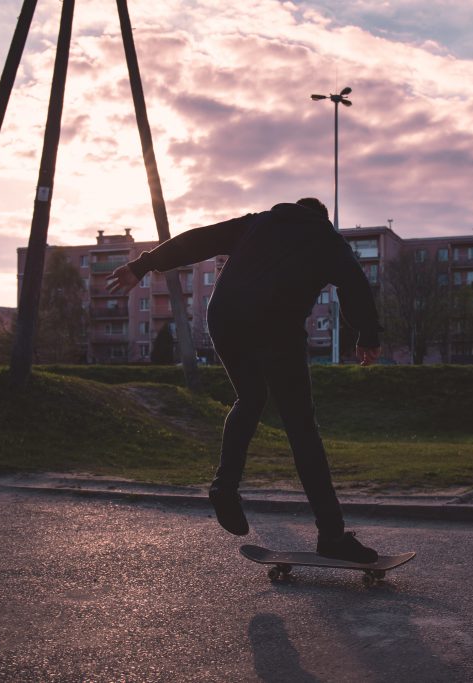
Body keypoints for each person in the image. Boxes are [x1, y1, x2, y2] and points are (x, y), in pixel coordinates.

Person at [107, 198, 382, 563]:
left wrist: (143, 265)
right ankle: (331, 535)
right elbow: (354, 283)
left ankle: (224, 486)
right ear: (322, 217)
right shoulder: (324, 236)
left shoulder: (259, 223)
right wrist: (368, 335)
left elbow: (201, 239)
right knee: (301, 429)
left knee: (250, 398)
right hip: (277, 326)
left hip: (226, 318)